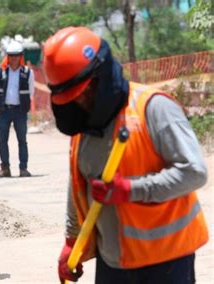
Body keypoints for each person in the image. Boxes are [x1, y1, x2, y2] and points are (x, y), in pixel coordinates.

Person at [43, 27, 208, 284]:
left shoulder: (153, 108)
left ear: (102, 76)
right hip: (113, 262)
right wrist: (72, 241)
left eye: (86, 92)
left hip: (167, 261)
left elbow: (194, 171)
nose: (82, 102)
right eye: (73, 98)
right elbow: (77, 186)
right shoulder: (82, 127)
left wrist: (132, 190)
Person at [0, 41, 34, 178]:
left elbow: (31, 91)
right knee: (2, 140)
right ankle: (5, 169)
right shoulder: (0, 71)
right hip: (4, 111)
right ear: (7, 56)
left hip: (20, 111)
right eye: (11, 55)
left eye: (16, 55)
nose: (14, 58)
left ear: (20, 56)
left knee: (22, 140)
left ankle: (23, 168)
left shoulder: (27, 72)